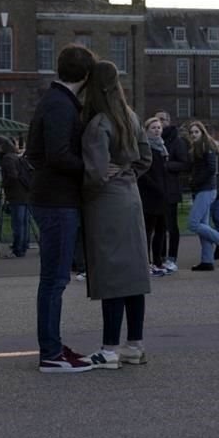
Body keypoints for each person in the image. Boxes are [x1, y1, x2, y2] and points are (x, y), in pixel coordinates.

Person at [26, 43, 97, 373]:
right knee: (54, 281)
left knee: (53, 280)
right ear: (85, 74)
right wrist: (91, 169)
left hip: (52, 198)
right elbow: (57, 155)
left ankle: (52, 347)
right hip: (56, 201)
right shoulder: (60, 105)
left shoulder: (56, 101)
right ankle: (51, 353)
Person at [80, 60, 153, 368]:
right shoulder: (131, 117)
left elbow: (95, 174)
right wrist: (127, 171)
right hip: (130, 196)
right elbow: (146, 157)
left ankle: (109, 348)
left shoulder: (99, 123)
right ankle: (134, 344)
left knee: (111, 274)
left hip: (106, 201)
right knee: (134, 274)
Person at [184, 121, 219, 272]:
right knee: (203, 225)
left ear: (202, 132)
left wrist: (194, 182)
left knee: (193, 223)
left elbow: (211, 169)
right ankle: (207, 261)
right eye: (191, 132)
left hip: (206, 189)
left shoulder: (207, 146)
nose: (193, 134)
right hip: (202, 189)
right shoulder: (197, 147)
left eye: (196, 132)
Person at [155, 110, 190, 273]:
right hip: (155, 190)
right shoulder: (153, 140)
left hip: (170, 189)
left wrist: (166, 165)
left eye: (162, 119)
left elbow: (184, 164)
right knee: (158, 226)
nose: (159, 123)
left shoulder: (177, 141)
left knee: (171, 226)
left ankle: (172, 258)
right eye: (157, 120)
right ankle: (159, 259)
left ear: (168, 121)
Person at [138, 117, 169, 275]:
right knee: (148, 231)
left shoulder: (163, 148)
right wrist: (156, 187)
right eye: (153, 128)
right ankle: (146, 262)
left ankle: (158, 260)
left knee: (161, 230)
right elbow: (142, 172)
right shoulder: (145, 148)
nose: (157, 130)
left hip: (162, 195)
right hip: (149, 194)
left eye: (159, 127)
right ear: (147, 130)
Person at [0, 136, 31, 258]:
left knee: (18, 223)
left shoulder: (7, 159)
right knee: (24, 222)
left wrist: (5, 185)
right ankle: (23, 246)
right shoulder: (16, 157)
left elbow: (12, 176)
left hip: (16, 194)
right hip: (25, 193)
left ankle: (18, 249)